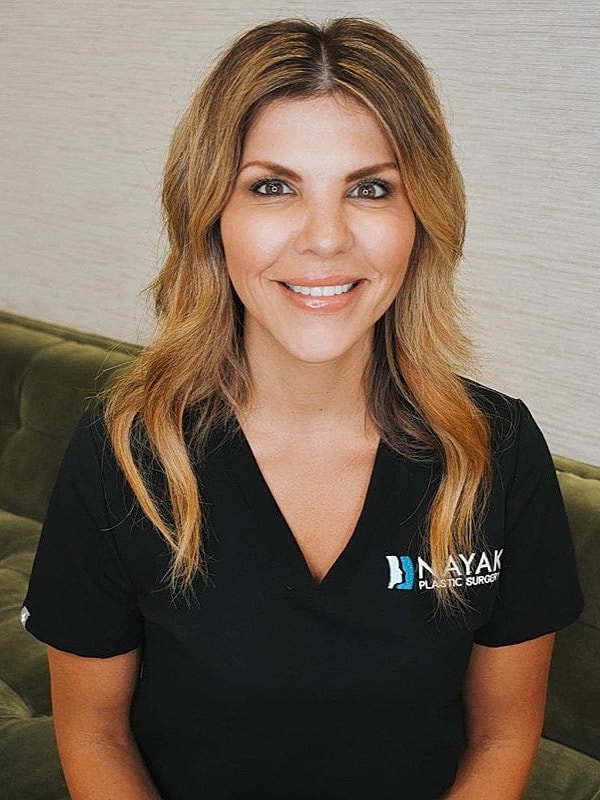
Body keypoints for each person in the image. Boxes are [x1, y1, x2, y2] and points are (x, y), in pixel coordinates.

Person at [22, 17, 583, 800]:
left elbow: (503, 732)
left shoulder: (498, 448)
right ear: (212, 216)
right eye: (273, 186)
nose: (325, 240)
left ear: (421, 219)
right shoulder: (126, 450)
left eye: (370, 188)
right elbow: (93, 732)